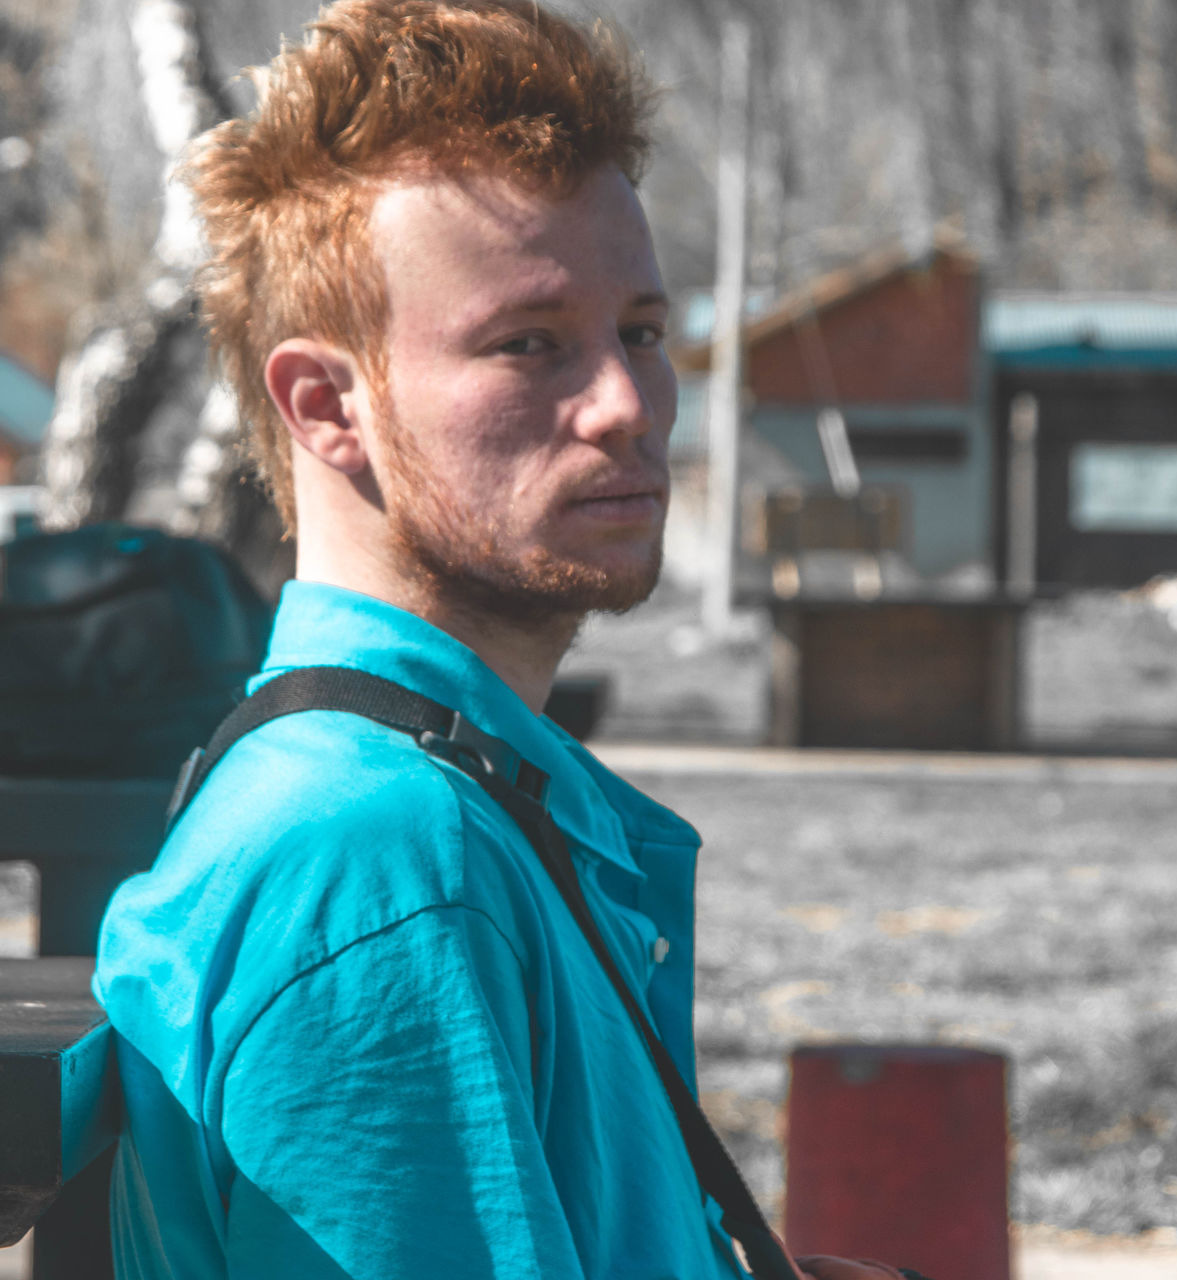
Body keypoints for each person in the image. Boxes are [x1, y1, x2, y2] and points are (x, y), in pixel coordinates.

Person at [94, 3, 907, 1278]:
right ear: (326, 404)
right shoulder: (381, 859)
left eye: (640, 330)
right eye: (529, 344)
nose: (628, 405)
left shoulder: (435, 783)